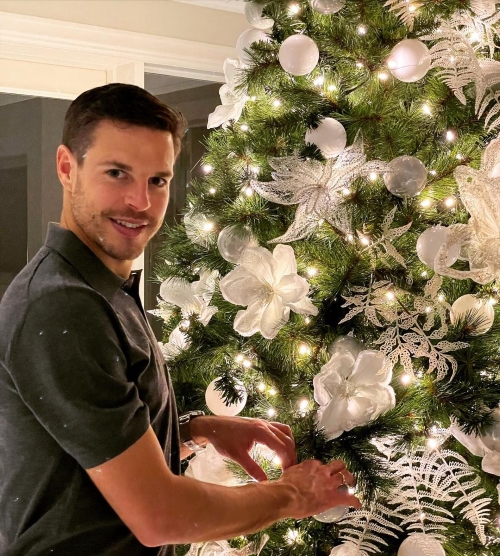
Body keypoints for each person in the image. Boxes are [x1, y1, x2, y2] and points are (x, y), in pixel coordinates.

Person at [0, 83, 360, 556]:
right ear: (68, 168)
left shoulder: (101, 292)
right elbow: (159, 515)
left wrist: (192, 431)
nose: (141, 203)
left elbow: (88, 456)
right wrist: (294, 494)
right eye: (117, 173)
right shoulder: (62, 304)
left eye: (158, 180)